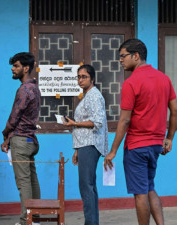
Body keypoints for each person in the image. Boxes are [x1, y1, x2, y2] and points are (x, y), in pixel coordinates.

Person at [104, 39, 177, 225]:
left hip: (136, 147)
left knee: (140, 193)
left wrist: (113, 151)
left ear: (136, 56)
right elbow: (175, 110)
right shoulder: (164, 79)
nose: (120, 60)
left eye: (123, 56)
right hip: (155, 146)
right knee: (149, 187)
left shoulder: (132, 82)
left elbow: (125, 120)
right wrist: (169, 138)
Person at [63, 64, 108, 225]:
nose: (80, 80)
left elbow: (97, 122)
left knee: (86, 186)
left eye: (84, 77)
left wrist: (75, 123)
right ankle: (92, 222)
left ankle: (90, 222)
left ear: (92, 79)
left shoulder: (94, 96)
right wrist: (76, 150)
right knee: (89, 186)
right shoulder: (87, 96)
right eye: (79, 77)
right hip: (84, 145)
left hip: (90, 144)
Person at [0, 52, 41, 225]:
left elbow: (14, 117)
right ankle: (35, 217)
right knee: (32, 180)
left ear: (26, 68)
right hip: (31, 140)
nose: (13, 68)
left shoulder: (24, 89)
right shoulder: (35, 88)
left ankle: (27, 220)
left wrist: (5, 133)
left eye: (16, 66)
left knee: (23, 182)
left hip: (21, 140)